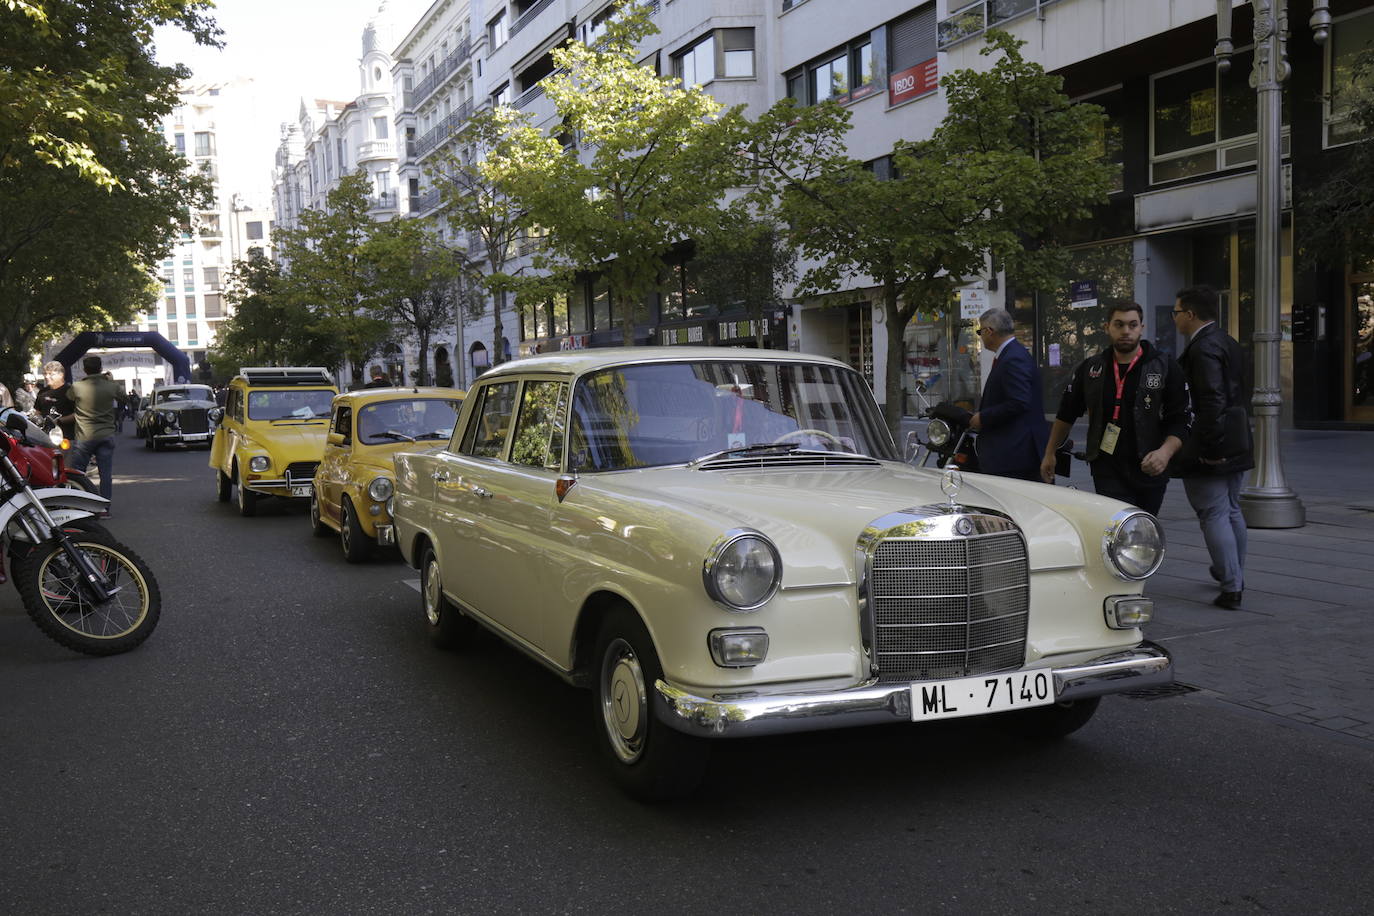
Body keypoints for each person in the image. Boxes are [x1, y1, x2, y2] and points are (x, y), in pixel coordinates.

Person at [1040, 302, 1190, 515]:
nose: (1126, 331)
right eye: (1119, 325)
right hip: (1107, 467)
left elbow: (1181, 419)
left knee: (1144, 527)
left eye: (1132, 325)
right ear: (1107, 327)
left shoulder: (1165, 366)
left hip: (1150, 466)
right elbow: (1066, 413)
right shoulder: (1092, 368)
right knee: (1118, 525)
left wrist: (1165, 453)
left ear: (1141, 328)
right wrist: (1050, 453)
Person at [1170, 285, 1254, 609]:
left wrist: (1210, 448)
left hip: (1212, 444)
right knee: (1231, 509)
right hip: (1235, 439)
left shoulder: (1202, 348)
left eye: (1177, 312)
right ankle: (1233, 574)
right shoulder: (1227, 341)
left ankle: (1231, 585)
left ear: (1190, 314)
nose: (1175, 318)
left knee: (1214, 512)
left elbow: (1211, 399)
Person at [969, 308, 1048, 481]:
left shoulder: (1013, 358)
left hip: (1015, 455)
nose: (980, 337)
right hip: (1014, 452)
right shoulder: (1011, 354)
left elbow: (1019, 402)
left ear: (989, 331)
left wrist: (984, 417)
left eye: (980, 332)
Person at [68, 355, 121, 514]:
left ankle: (78, 506)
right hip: (106, 435)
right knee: (105, 474)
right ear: (101, 368)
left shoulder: (77, 387)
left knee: (78, 473)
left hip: (84, 435)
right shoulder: (111, 386)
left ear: (85, 370)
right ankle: (104, 508)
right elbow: (124, 398)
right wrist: (110, 381)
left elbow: (69, 397)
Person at [33, 361, 76, 440]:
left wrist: (59, 421)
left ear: (61, 375)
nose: (47, 377)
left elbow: (79, 414)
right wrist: (36, 419)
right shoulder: (42, 392)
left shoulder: (71, 391)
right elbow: (37, 412)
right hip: (45, 437)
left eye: (51, 374)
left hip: (66, 438)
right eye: (45, 374)